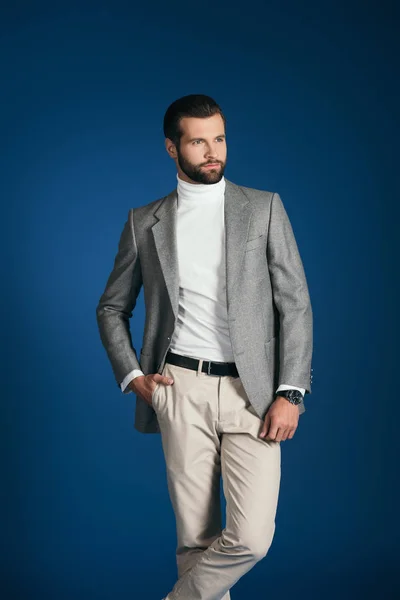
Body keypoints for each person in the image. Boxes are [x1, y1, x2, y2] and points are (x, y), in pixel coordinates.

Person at [96, 93, 313, 600]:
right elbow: (111, 308)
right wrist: (136, 378)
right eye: (199, 142)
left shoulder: (262, 208)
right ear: (173, 149)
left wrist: (291, 392)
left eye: (219, 139)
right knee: (195, 542)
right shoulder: (143, 222)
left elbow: (295, 305)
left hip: (253, 392)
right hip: (180, 388)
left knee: (251, 538)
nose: (213, 151)